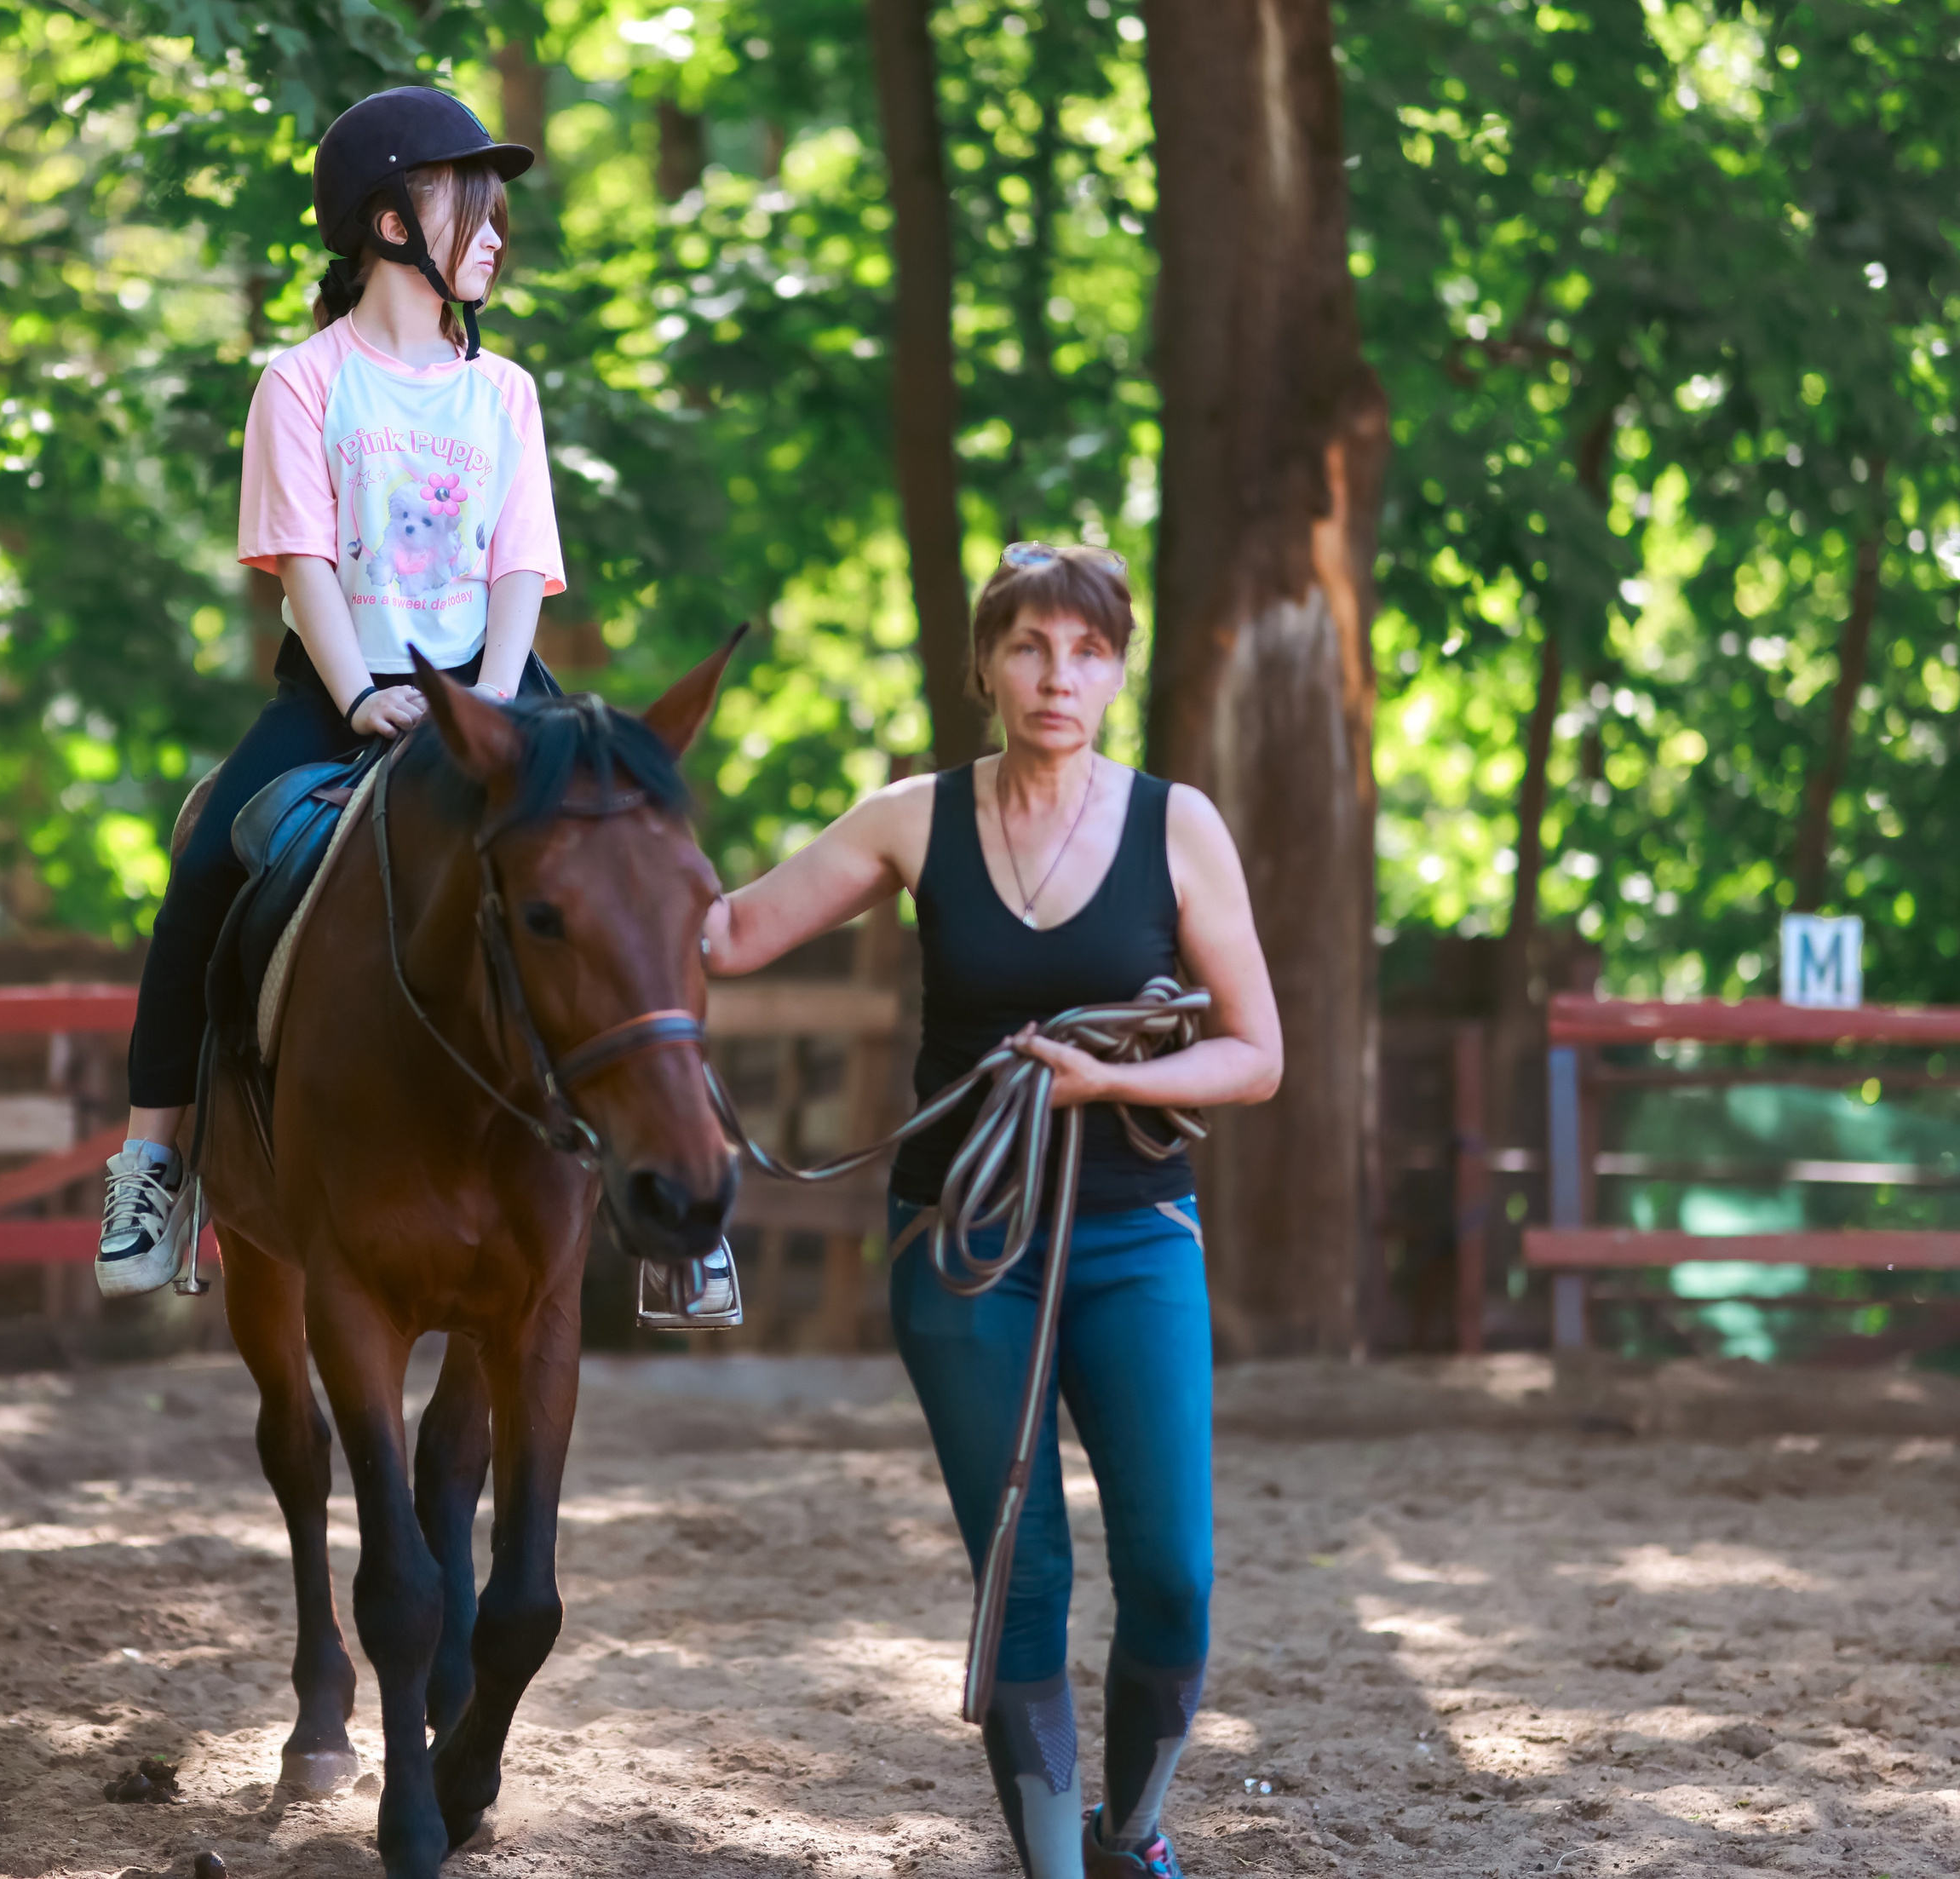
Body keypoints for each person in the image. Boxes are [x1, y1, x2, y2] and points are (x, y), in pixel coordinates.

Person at [95, 85, 742, 1330]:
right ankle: (156, 1167)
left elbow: (517, 563)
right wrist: (367, 695)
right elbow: (305, 567)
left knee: (646, 865)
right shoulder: (302, 382)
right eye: (472, 208)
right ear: (389, 221)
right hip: (346, 690)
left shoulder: (503, 394)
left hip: (496, 690)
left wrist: (494, 706)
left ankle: (695, 1206)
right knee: (202, 867)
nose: (496, 235)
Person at [703, 544, 1282, 1879]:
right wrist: (609, 827)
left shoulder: (1176, 825)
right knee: (1021, 1577)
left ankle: (1134, 1832)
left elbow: (1257, 1052)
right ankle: (1054, 1866)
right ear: (985, 665)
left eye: (1086, 650)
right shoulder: (915, 816)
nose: (1056, 675)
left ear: (1118, 667)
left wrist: (1104, 1076)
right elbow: (729, 936)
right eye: (1028, 646)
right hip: (962, 1247)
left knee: (1176, 1578)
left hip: (1136, 1237)